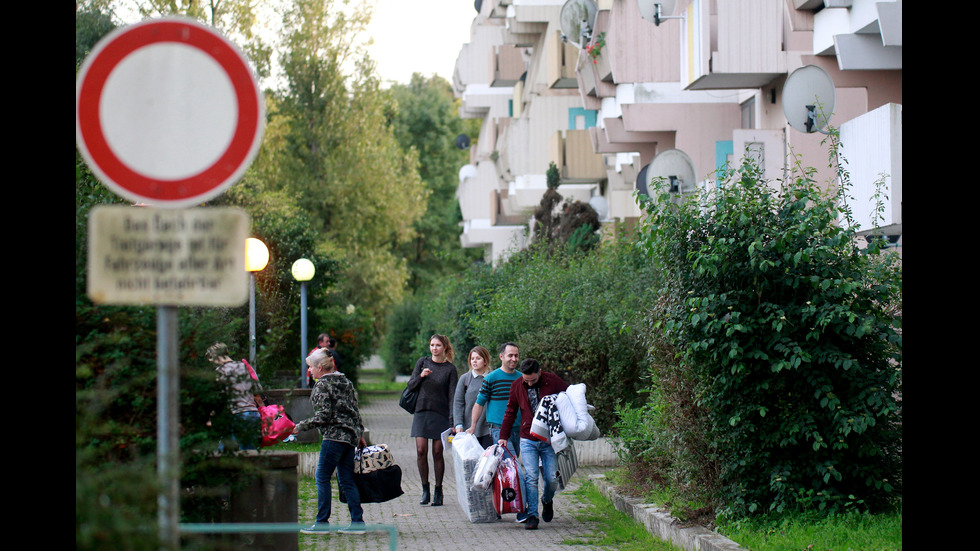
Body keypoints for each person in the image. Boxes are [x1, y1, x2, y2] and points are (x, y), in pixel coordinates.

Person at [292, 348, 367, 535]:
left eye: (310, 367)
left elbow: (323, 416)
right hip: (349, 437)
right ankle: (357, 522)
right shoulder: (346, 382)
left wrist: (300, 426)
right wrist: (360, 434)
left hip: (333, 437)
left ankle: (322, 522)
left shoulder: (321, 385)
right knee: (347, 479)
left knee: (322, 477)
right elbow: (354, 410)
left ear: (320, 367)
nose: (309, 371)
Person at [498, 358, 569, 531]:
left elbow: (568, 398)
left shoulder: (552, 381)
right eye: (526, 380)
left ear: (540, 372)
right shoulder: (517, 385)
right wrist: (503, 436)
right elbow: (510, 411)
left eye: (533, 380)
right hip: (527, 438)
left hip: (548, 440)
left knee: (552, 478)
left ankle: (547, 500)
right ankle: (532, 515)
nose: (529, 383)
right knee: (531, 477)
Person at [469, 342, 528, 522]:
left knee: (506, 471)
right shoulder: (492, 378)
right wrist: (472, 426)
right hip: (499, 431)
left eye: (516, 355)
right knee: (514, 469)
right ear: (501, 356)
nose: (514, 359)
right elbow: (479, 403)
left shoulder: (522, 378)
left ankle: (501, 504)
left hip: (519, 430)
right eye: (510, 355)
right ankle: (521, 510)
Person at [405, 334, 459, 507]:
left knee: (437, 452)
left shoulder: (450, 369)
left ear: (444, 348)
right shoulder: (423, 362)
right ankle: (425, 489)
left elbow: (453, 397)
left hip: (441, 414)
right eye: (432, 345)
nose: (434, 348)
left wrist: (453, 421)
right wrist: (421, 376)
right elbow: (410, 385)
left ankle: (438, 489)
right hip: (422, 412)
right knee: (421, 450)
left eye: (437, 345)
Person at [206, 342, 264, 451]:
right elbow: (257, 390)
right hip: (252, 414)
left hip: (236, 415)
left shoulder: (221, 371)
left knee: (225, 453)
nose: (213, 362)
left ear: (217, 356)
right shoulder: (245, 366)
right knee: (249, 452)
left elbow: (219, 396)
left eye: (212, 359)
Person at [452, 346, 492, 447]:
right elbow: (458, 403)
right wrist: (458, 424)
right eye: (472, 358)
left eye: (478, 358)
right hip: (468, 429)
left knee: (487, 461)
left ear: (485, 361)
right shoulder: (465, 379)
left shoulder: (492, 378)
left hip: (488, 429)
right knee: (470, 461)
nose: (474, 361)